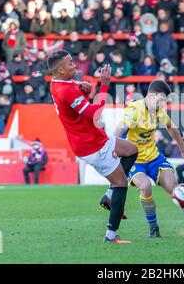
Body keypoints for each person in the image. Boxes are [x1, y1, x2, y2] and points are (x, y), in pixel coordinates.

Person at [101, 80, 184, 238]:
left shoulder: (159, 111)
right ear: (150, 95)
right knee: (145, 187)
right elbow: (119, 129)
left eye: (164, 101)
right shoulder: (134, 110)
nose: (162, 104)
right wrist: (113, 149)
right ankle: (153, 228)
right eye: (160, 100)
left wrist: (183, 149)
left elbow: (171, 127)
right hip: (134, 161)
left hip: (154, 157)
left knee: (175, 188)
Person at [48, 50, 137, 244]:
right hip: (92, 146)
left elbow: (72, 94)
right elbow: (94, 115)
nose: (75, 65)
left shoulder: (57, 82)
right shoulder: (66, 90)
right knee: (121, 183)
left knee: (131, 150)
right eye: (70, 63)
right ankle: (111, 235)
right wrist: (103, 86)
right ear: (61, 70)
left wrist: (83, 89)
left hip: (95, 139)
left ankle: (109, 195)